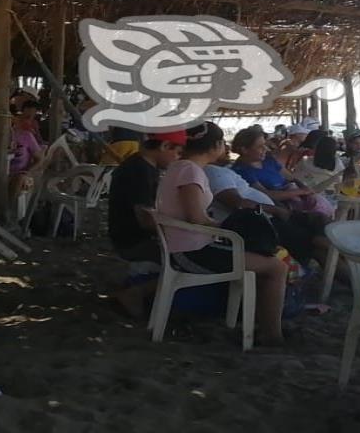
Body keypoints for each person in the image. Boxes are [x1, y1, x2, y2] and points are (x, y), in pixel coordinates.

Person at [156, 122, 288, 346]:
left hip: (188, 246)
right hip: (192, 252)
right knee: (277, 267)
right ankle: (271, 335)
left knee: (265, 257)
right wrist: (228, 229)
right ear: (216, 145)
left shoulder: (182, 167)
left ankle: (262, 326)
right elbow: (196, 218)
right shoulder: (190, 171)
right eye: (223, 143)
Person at [108, 131, 186, 317]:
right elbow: (145, 219)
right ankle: (136, 293)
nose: (177, 158)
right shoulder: (138, 171)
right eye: (178, 152)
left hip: (133, 237)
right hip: (134, 242)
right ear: (165, 146)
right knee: (193, 259)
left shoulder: (144, 166)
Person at [231, 127, 335, 217]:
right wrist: (302, 192)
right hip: (281, 205)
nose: (265, 149)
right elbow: (267, 195)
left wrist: (306, 190)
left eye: (265, 145)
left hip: (294, 194)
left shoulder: (268, 160)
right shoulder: (242, 171)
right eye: (260, 146)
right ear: (244, 149)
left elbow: (291, 178)